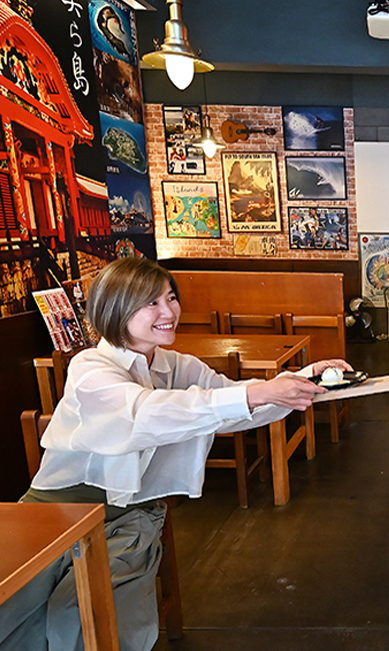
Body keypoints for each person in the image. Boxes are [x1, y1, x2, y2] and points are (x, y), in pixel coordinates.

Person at [0, 257, 352, 651]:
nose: (168, 311)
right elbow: (143, 414)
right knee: (12, 613)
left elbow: (232, 407)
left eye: (170, 297)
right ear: (115, 307)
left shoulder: (176, 365)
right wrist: (258, 392)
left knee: (83, 617)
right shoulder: (90, 367)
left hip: (130, 515)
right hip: (54, 511)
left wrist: (306, 383)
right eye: (150, 302)